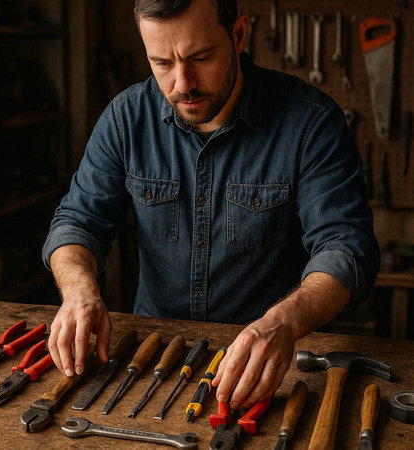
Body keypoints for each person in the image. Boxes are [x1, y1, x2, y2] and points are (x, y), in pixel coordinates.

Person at [42, 0, 380, 411]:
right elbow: (78, 222)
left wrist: (283, 323)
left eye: (200, 57)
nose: (182, 83)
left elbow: (345, 248)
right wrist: (78, 290)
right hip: (153, 360)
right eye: (162, 62)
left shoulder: (311, 123)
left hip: (270, 368)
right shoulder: (125, 118)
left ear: (239, 34)